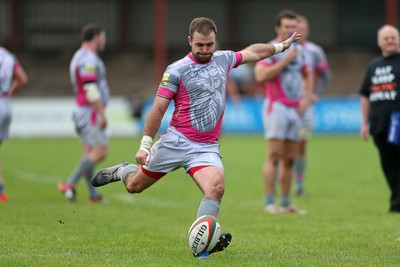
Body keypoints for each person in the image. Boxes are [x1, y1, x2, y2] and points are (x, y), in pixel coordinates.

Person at [91, 17, 300, 257]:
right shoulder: (176, 70)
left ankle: (203, 244)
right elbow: (158, 109)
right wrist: (145, 145)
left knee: (216, 188)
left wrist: (280, 47)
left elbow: (251, 52)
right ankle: (122, 171)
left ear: (215, 42)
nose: (204, 50)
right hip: (175, 142)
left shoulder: (224, 59)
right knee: (134, 186)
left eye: (209, 45)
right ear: (190, 41)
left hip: (205, 147)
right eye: (199, 45)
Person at [254, 10, 313, 214]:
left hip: (294, 109)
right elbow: (260, 75)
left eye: (293, 26)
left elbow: (307, 74)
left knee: (290, 158)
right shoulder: (271, 49)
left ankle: (286, 203)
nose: (290, 30)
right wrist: (285, 61)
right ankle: (270, 202)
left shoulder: (301, 51)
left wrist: (306, 97)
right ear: (278, 28)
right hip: (275, 107)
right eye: (286, 26)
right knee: (275, 155)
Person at [58, 23, 109, 203]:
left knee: (88, 154)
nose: (104, 41)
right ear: (95, 37)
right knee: (100, 151)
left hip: (82, 110)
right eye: (103, 37)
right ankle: (69, 183)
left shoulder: (79, 55)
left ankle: (93, 195)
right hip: (90, 111)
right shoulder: (88, 58)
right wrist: (101, 113)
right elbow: (89, 86)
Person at [359, 24, 400, 214]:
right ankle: (396, 200)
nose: (390, 40)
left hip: (398, 123)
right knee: (388, 165)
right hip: (379, 124)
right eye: (386, 38)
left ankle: (396, 203)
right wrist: (364, 124)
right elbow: (365, 95)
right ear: (379, 42)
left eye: (393, 37)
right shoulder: (373, 65)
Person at [294, 15, 332, 196]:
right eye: (297, 28)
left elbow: (326, 76)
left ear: (308, 30)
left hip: (306, 104)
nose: (301, 31)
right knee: (281, 147)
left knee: (301, 146)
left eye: (304, 27)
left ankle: (299, 186)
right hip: (285, 104)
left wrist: (314, 93)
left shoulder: (315, 51)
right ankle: (282, 185)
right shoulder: (284, 49)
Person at [0, 46, 28, 202]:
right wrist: (9, 92)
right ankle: (1, 192)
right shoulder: (8, 56)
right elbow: (22, 79)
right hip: (5, 104)